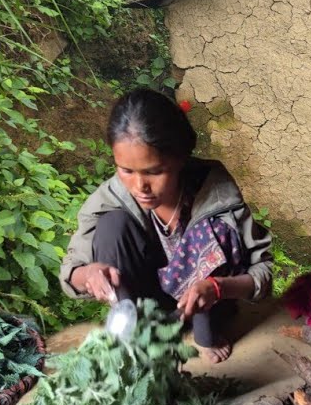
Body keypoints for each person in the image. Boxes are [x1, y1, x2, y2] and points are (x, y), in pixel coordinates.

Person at [59, 88, 275, 364]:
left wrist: (218, 287)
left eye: (154, 172)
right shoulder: (109, 199)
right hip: (145, 306)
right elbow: (70, 272)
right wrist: (88, 274)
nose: (140, 187)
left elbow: (263, 271)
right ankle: (138, 335)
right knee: (111, 226)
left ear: (181, 157)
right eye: (126, 171)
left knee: (216, 229)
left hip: (208, 304)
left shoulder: (216, 194)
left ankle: (205, 334)